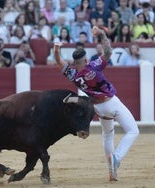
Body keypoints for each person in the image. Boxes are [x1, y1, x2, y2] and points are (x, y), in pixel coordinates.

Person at [53, 26, 139, 181]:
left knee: (107, 136)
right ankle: (117, 158)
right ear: (85, 60)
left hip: (97, 108)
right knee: (133, 131)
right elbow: (108, 52)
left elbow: (59, 61)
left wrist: (56, 50)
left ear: (74, 62)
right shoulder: (93, 65)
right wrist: (103, 34)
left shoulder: (72, 74)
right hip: (111, 102)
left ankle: (112, 172)